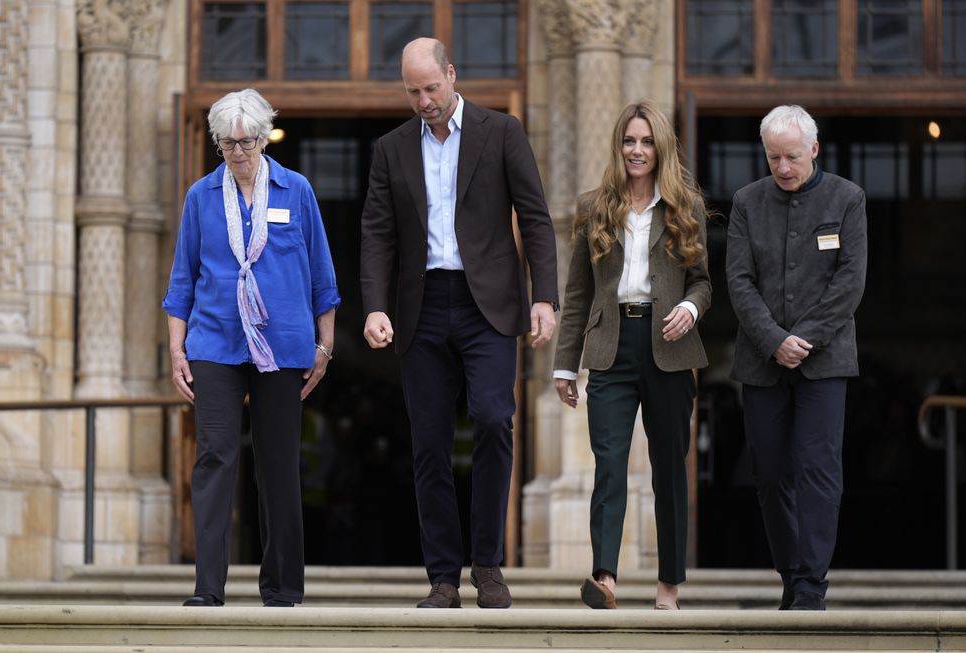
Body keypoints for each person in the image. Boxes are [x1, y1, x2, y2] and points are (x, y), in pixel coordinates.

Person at [360, 37, 559, 609]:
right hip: (421, 306)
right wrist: (375, 306)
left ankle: (488, 566)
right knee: (429, 444)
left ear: (451, 73)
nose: (424, 100)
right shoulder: (391, 149)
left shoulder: (502, 132)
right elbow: (376, 234)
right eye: (413, 91)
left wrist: (542, 297)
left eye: (431, 87)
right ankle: (443, 577)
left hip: (489, 305)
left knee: (496, 422)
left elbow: (536, 218)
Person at [163, 88, 340, 608]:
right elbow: (182, 280)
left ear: (263, 138)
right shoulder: (200, 196)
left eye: (245, 141)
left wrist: (325, 344)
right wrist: (177, 351)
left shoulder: (296, 190)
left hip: (283, 344)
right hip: (214, 341)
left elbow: (322, 274)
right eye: (226, 143)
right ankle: (208, 586)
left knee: (278, 461)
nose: (236, 152)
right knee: (214, 457)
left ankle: (282, 587)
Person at [552, 101, 711, 611]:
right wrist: (563, 364)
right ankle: (605, 576)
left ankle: (669, 585)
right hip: (610, 348)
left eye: (646, 142)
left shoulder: (686, 205)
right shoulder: (594, 206)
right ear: (618, 147)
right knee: (610, 464)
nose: (637, 151)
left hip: (669, 345)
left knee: (669, 469)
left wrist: (689, 306)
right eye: (629, 141)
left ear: (660, 147)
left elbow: (704, 283)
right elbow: (576, 294)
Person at [726, 104, 867, 611]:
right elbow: (739, 282)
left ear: (814, 148)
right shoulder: (746, 202)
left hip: (825, 362)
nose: (782, 167)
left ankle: (811, 583)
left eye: (791, 157)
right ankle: (790, 574)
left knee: (818, 470)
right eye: (773, 158)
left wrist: (801, 339)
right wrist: (773, 340)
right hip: (762, 364)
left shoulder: (847, 199)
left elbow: (849, 283)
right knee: (770, 474)